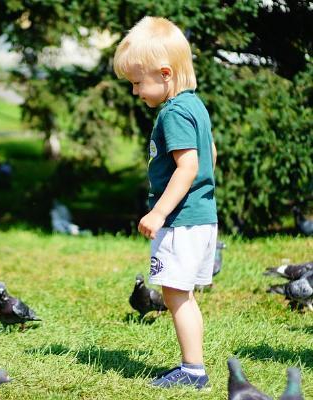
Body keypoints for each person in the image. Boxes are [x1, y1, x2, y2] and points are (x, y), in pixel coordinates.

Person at [113, 16, 218, 389]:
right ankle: (193, 366)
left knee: (176, 295)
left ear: (165, 73)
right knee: (181, 294)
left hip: (182, 220)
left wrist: (159, 211)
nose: (136, 91)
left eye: (138, 82)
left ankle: (193, 370)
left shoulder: (172, 113)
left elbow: (188, 166)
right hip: (202, 217)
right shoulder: (195, 106)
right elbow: (210, 155)